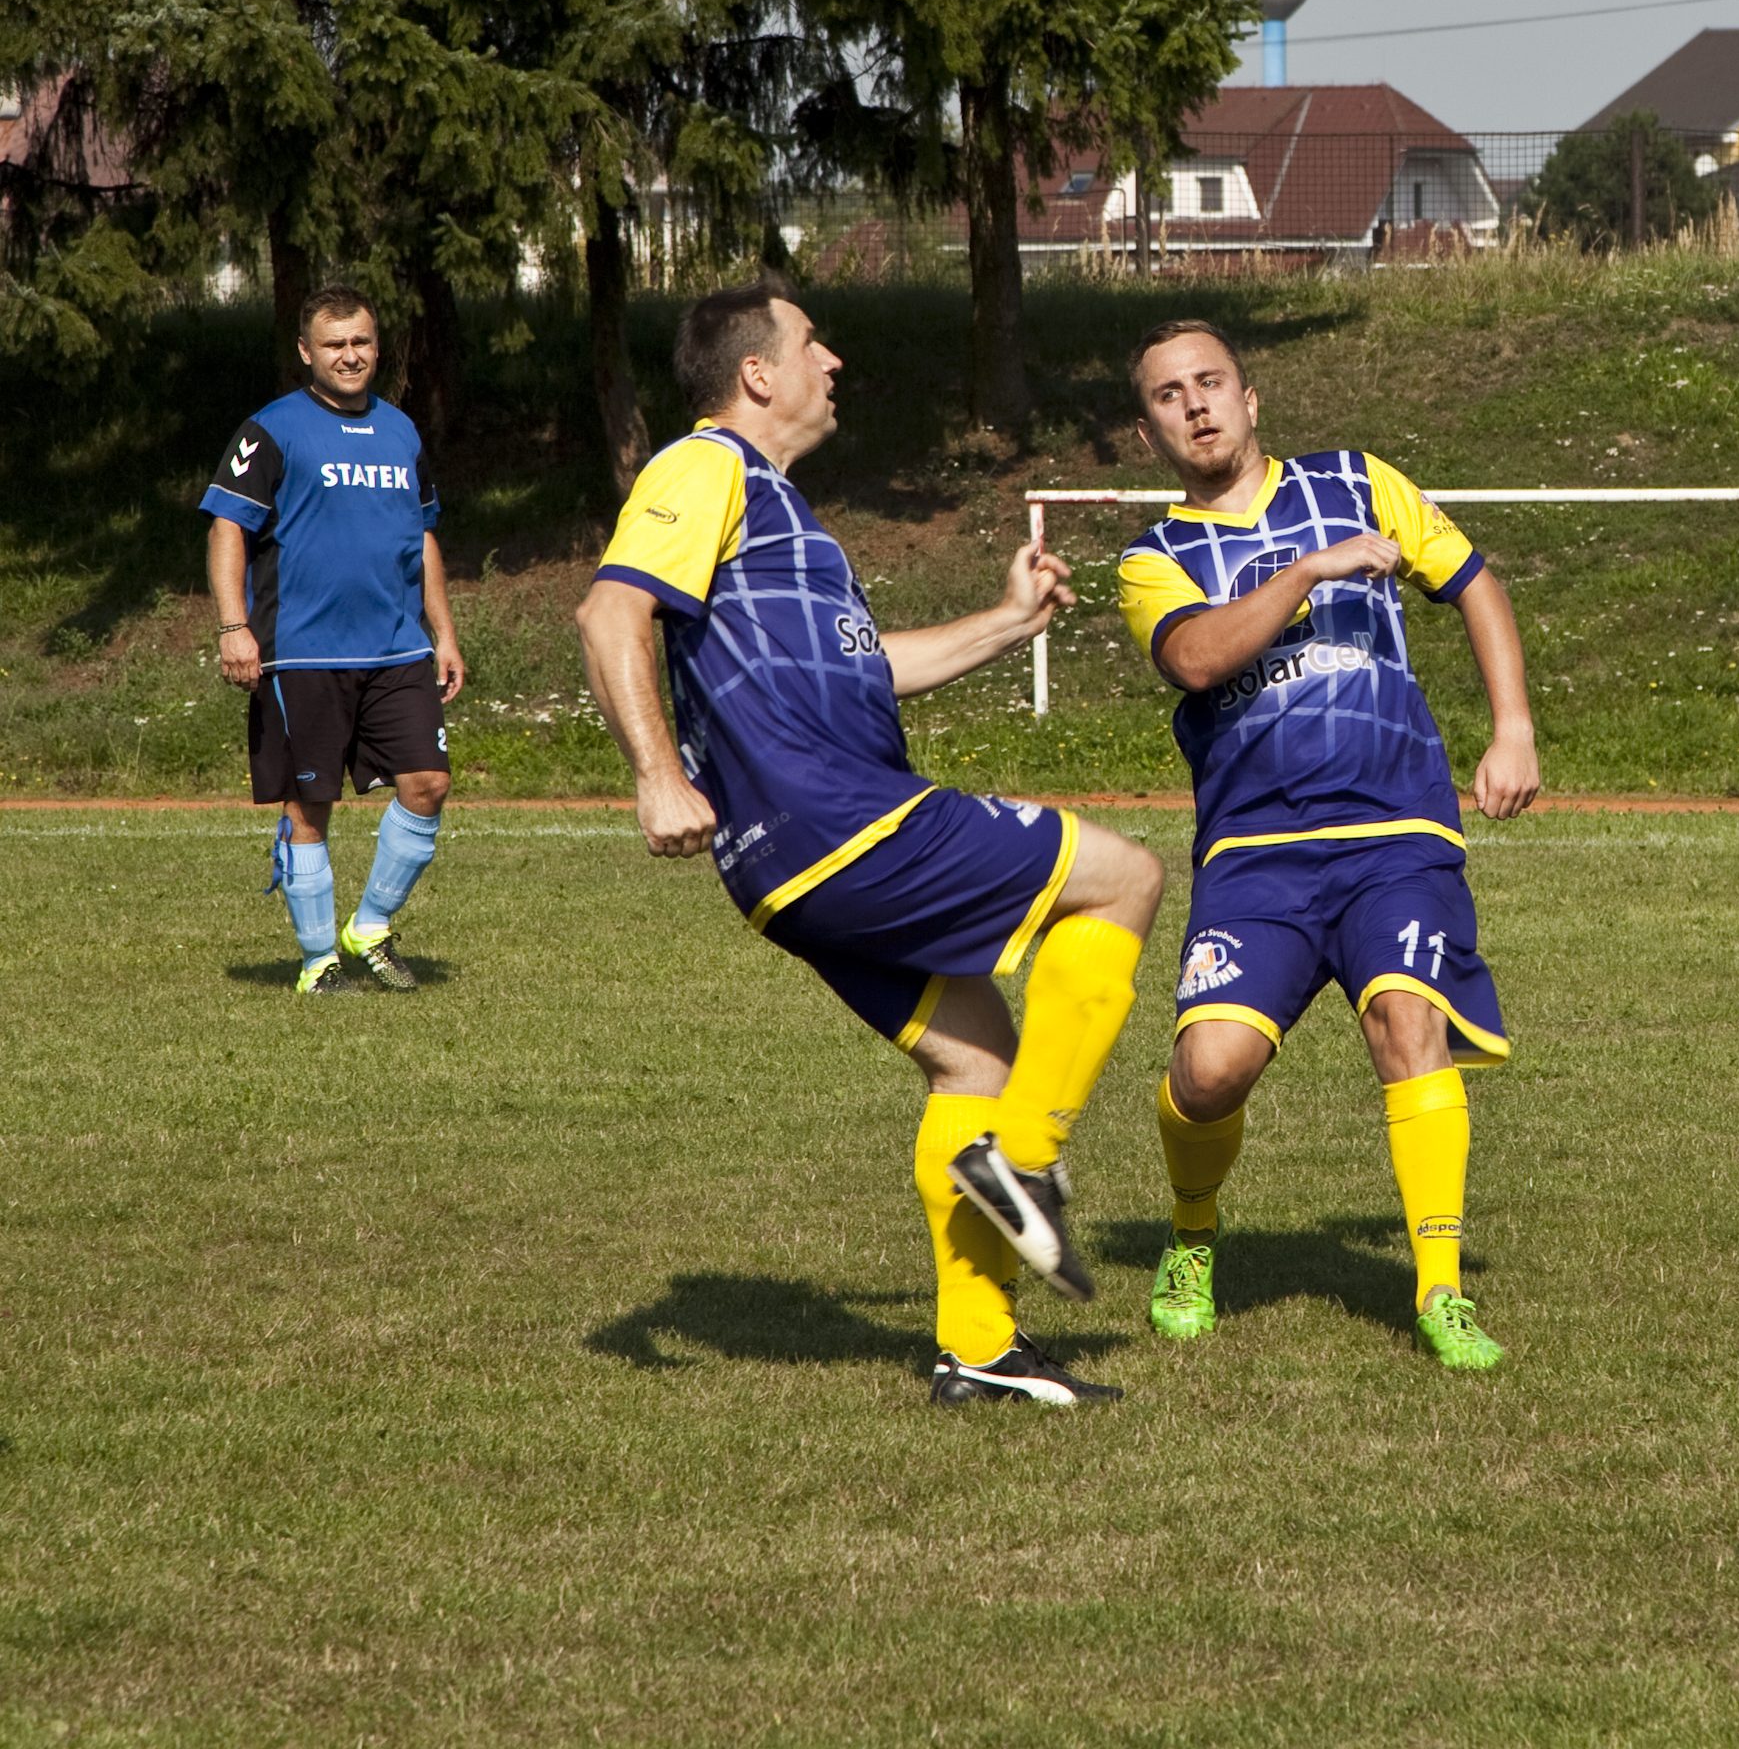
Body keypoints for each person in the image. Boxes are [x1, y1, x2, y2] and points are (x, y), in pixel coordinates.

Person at [575, 279, 1164, 1409]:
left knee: (975, 1057)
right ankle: (1028, 1158)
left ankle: (977, 1349)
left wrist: (1008, 622)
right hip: (841, 821)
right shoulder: (706, 467)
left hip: (789, 865)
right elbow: (610, 610)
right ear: (757, 373)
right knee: (1126, 876)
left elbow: (864, 667)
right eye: (811, 342)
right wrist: (654, 776)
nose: (833, 359)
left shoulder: (787, 520)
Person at [1117, 319, 1539, 1371]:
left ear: (1251, 398)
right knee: (1208, 1073)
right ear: (1149, 433)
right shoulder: (1151, 559)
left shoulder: (1357, 479)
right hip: (1256, 852)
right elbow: (1201, 658)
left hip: (1396, 828)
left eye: (1211, 382)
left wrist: (1514, 727)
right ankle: (1193, 1236)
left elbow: (1473, 581)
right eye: (1170, 395)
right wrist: (1310, 570)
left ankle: (1439, 1290)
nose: (1196, 404)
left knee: (1408, 1023)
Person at [203, 285, 464, 995]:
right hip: (302, 652)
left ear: (378, 348)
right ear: (306, 353)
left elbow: (425, 535)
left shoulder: (402, 431)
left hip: (397, 649)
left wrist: (442, 631)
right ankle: (319, 960)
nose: (350, 356)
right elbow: (228, 527)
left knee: (428, 783)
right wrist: (234, 627)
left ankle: (371, 928)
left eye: (361, 343)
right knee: (307, 807)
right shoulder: (273, 429)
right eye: (335, 345)